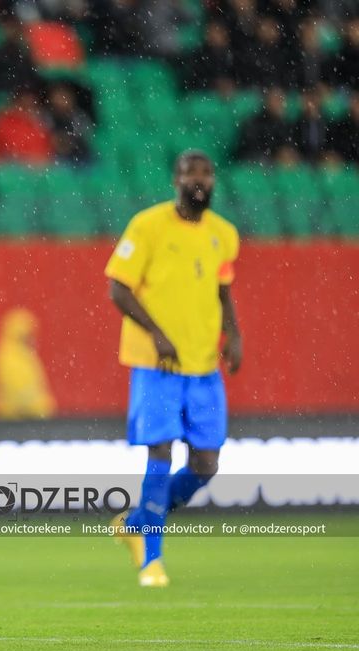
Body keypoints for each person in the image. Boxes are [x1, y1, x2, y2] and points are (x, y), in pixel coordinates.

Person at [105, 150, 243, 588]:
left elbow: (222, 290)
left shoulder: (224, 234)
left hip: (203, 365)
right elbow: (118, 287)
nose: (199, 180)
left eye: (206, 173)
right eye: (190, 173)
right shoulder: (148, 226)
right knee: (160, 452)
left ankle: (138, 521)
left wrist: (234, 335)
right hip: (157, 363)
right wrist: (157, 333)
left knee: (206, 464)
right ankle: (152, 558)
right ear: (176, 180)